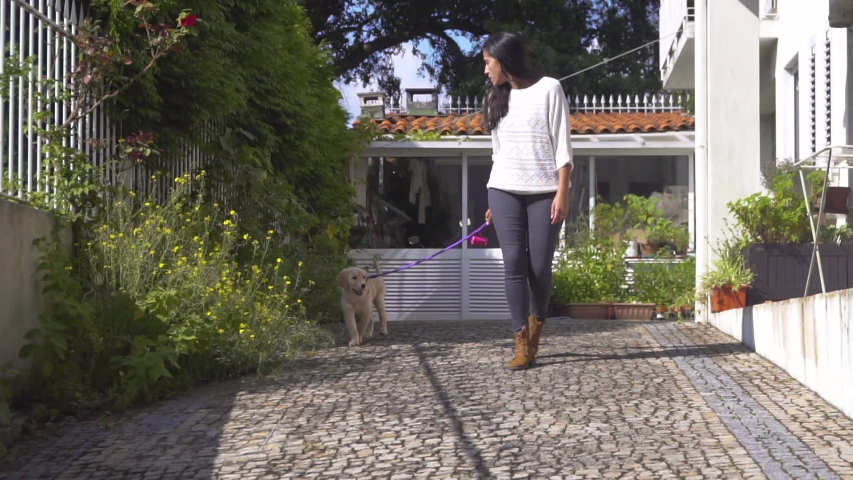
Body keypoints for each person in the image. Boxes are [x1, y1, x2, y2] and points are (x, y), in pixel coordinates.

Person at [482, 32, 573, 370]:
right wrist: (495, 199)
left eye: (488, 62)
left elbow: (562, 146)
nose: (486, 70)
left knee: (538, 267)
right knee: (513, 264)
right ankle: (521, 340)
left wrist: (562, 191)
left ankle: (537, 321)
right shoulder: (495, 98)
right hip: (503, 189)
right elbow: (497, 154)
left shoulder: (550, 88)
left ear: (503, 60)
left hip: (544, 192)